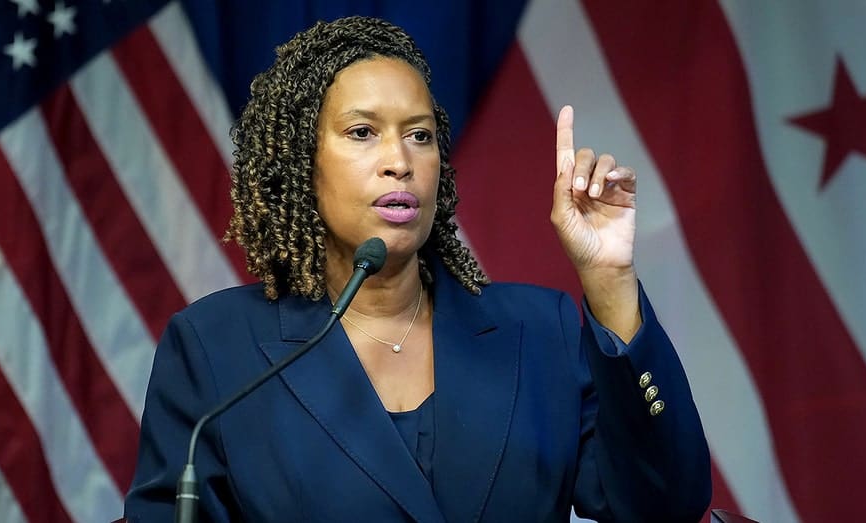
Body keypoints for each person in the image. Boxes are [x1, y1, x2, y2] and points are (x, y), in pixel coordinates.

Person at [124, 16, 711, 522]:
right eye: (362, 133)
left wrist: (609, 280)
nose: (399, 161)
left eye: (420, 135)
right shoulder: (215, 347)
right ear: (302, 162)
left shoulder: (539, 330)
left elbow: (666, 508)